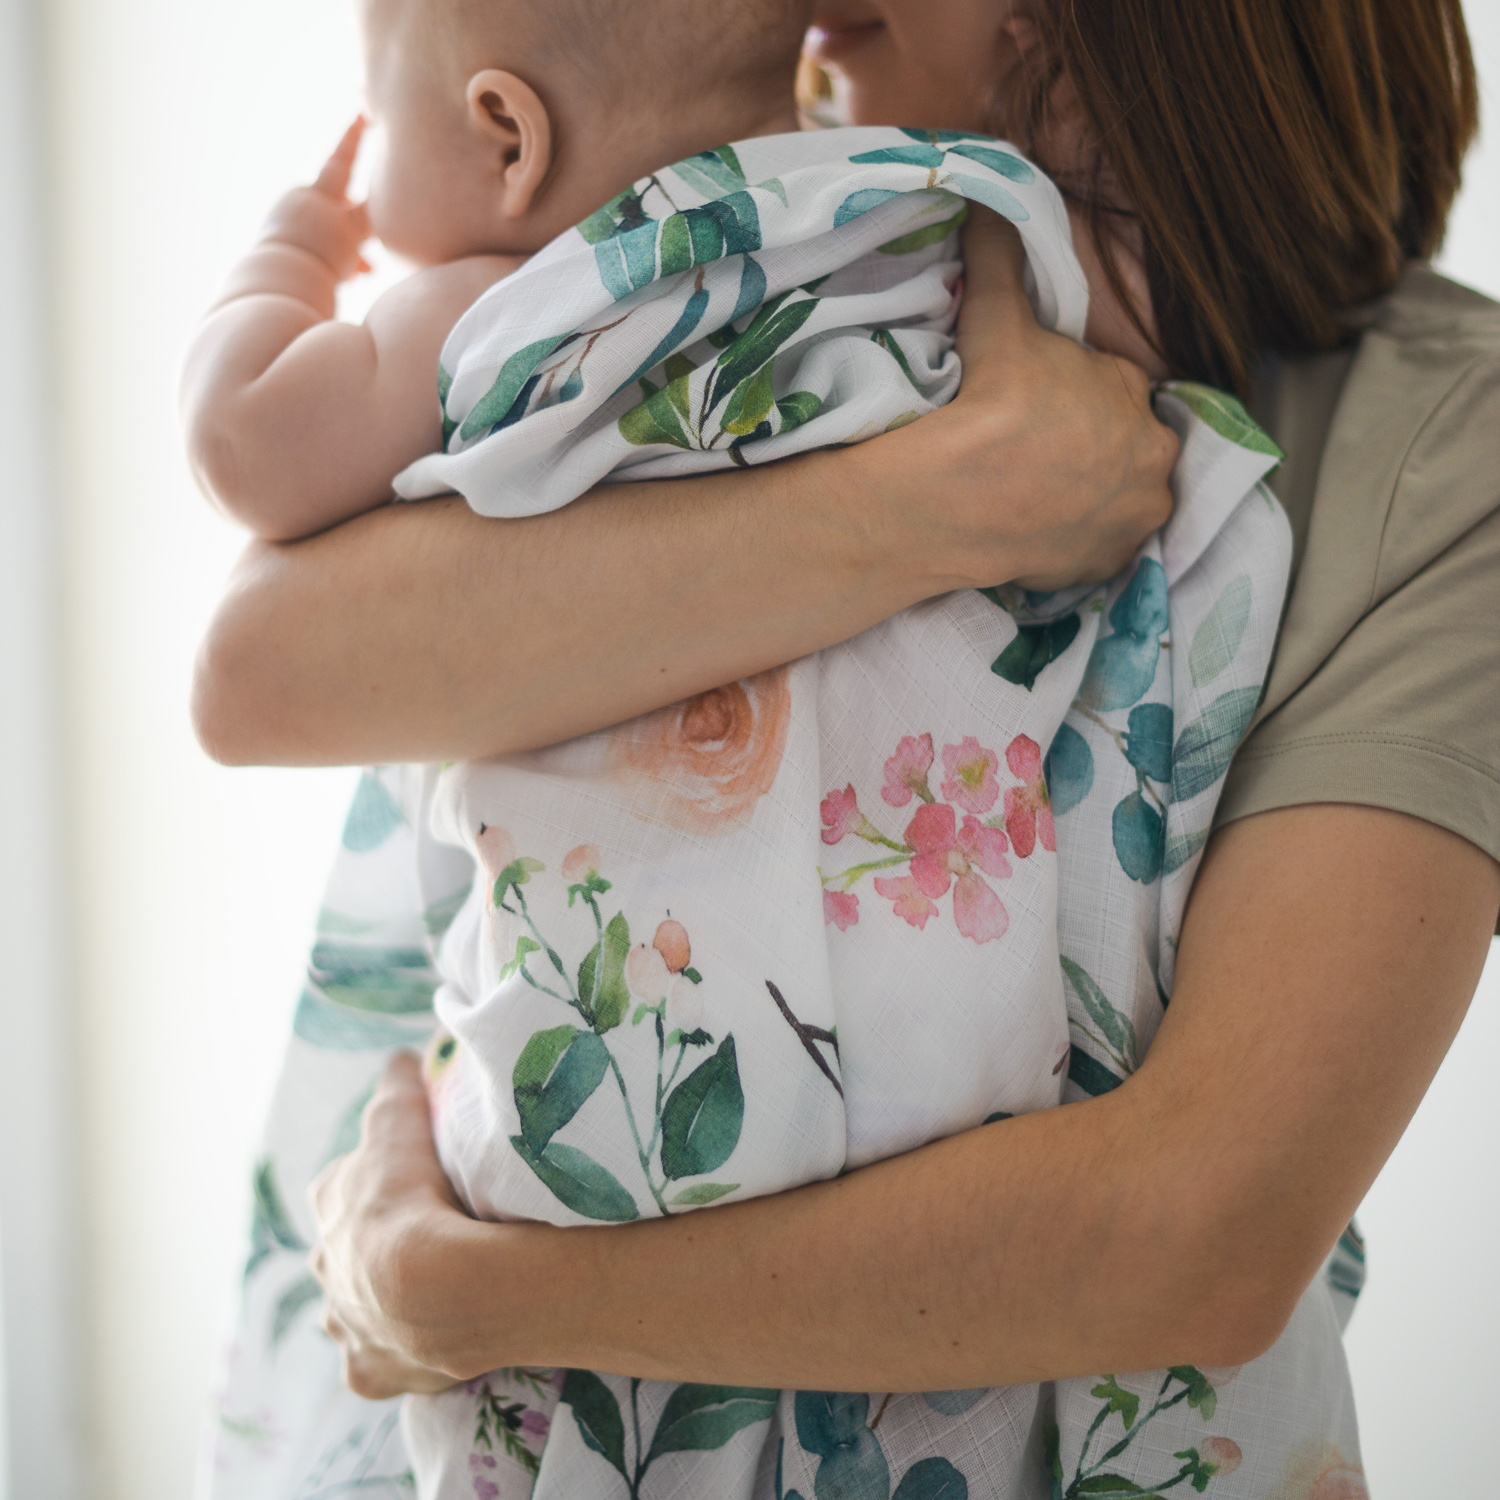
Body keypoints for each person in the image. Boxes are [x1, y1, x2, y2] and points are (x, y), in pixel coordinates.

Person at [194, 1, 1499, 1497]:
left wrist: (483, 1299)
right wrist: (937, 505)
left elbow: (1196, 1235)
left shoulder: (1444, 441)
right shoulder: (724, 244)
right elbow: (255, 674)